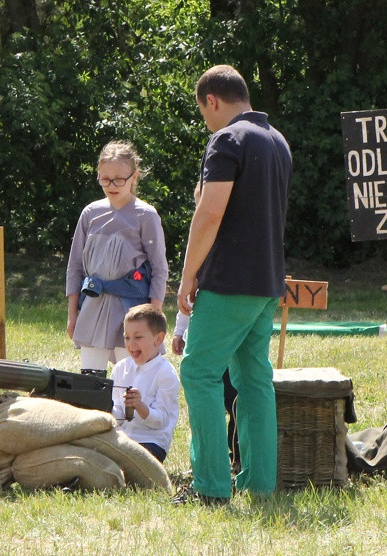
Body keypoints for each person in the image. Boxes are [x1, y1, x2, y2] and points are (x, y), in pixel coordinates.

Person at [173, 65, 293, 505]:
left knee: (199, 372)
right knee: (254, 379)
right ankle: (260, 484)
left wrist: (187, 278)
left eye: (202, 111)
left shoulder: (227, 139)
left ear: (212, 101)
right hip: (267, 283)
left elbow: (209, 214)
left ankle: (209, 487)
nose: (205, 120)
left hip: (229, 283)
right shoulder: (277, 141)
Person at [66, 141, 168, 376]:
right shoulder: (90, 213)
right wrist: (73, 314)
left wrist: (153, 318)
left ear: (134, 176)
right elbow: (75, 267)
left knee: (128, 382)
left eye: (119, 179)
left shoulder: (146, 215)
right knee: (90, 381)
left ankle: (124, 414)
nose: (111, 185)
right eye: (105, 179)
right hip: (93, 306)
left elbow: (159, 269)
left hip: (131, 309)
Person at [172, 182, 240, 472]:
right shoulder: (198, 247)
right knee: (209, 395)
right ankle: (212, 458)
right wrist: (179, 331)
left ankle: (235, 454)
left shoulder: (229, 243)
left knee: (233, 397)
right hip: (199, 334)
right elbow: (188, 298)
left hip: (225, 340)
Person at [110, 304, 180, 463]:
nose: (131, 343)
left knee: (131, 462)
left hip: (151, 442)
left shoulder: (166, 374)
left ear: (159, 339)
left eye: (138, 337)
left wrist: (139, 406)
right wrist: (104, 406)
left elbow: (160, 421)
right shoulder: (121, 368)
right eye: (127, 337)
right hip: (122, 438)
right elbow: (119, 416)